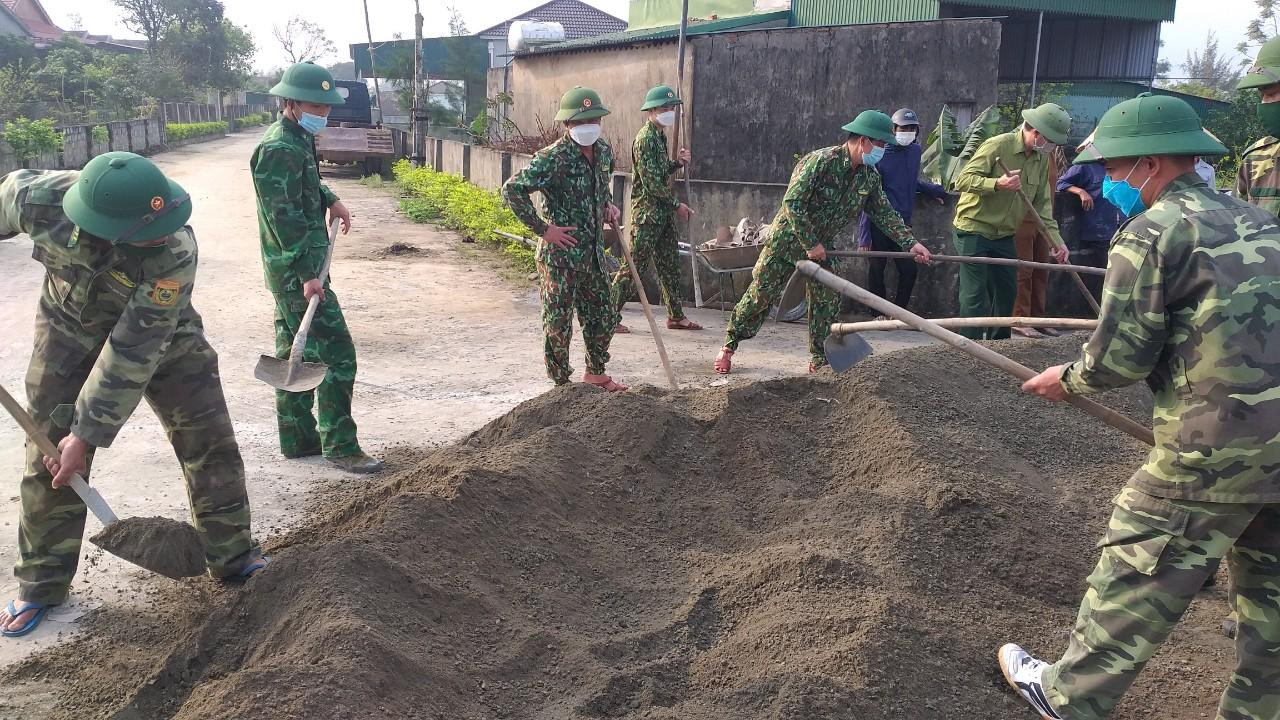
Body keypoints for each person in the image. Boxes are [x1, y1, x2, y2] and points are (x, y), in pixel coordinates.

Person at [1000, 93, 1280, 720]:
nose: (1107, 182)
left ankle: (1068, 696)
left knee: (1139, 558)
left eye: (1113, 169)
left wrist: (1066, 379)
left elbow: (1120, 358)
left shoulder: (1151, 234)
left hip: (1213, 448)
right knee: (1272, 608)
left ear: (1149, 164)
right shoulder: (1264, 222)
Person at [0, 153, 267, 638]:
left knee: (209, 438)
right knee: (48, 454)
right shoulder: (34, 198)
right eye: (151, 228)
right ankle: (41, 582)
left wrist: (87, 434)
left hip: (163, 337)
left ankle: (232, 556)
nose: (165, 232)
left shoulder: (174, 252)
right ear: (107, 226)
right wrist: (69, 438)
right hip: (67, 328)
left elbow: (132, 351)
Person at [714, 111, 933, 375]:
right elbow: (793, 203)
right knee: (760, 296)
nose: (883, 151)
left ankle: (819, 361)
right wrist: (809, 242)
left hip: (823, 249)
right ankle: (729, 346)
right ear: (864, 141)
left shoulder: (869, 177)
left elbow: (885, 213)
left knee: (827, 304)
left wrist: (911, 243)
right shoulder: (820, 162)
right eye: (881, 145)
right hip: (788, 242)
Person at [251, 62, 382, 474]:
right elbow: (283, 218)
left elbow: (305, 184)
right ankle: (340, 444)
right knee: (338, 354)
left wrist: (330, 198)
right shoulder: (278, 149)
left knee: (294, 350)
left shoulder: (299, 138)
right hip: (297, 269)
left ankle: (297, 438)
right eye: (316, 107)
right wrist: (308, 274)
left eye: (327, 108)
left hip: (300, 265)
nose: (323, 115)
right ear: (290, 102)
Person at [503, 86, 627, 391]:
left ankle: (596, 371)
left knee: (603, 315)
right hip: (560, 258)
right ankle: (561, 385)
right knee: (558, 324)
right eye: (581, 122)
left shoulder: (604, 152)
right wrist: (544, 229)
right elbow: (512, 189)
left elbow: (601, 188)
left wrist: (607, 206)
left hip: (594, 256)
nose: (589, 127)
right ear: (567, 125)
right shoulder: (552, 158)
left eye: (594, 120)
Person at [952, 103, 1072, 340]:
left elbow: (1042, 207)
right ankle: (969, 348)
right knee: (974, 294)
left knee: (1007, 291)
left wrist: (1056, 241)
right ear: (1036, 133)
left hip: (1004, 234)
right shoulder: (998, 145)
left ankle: (999, 345)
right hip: (973, 228)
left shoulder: (1040, 159)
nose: (1052, 148)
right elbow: (962, 180)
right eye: (1051, 141)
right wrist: (997, 184)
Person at [611, 84, 699, 334]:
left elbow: (658, 172)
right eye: (664, 108)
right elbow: (650, 183)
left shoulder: (659, 136)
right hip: (647, 215)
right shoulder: (645, 139)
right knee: (634, 266)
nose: (669, 112)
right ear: (651, 111)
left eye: (671, 108)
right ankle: (608, 316)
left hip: (661, 215)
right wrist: (677, 205)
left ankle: (675, 316)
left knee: (669, 265)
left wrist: (677, 164)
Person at [856, 107, 947, 309]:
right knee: (877, 269)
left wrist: (933, 190)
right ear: (894, 129)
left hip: (903, 224)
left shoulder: (915, 151)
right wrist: (864, 235)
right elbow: (867, 195)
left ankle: (898, 313)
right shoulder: (880, 154)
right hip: (879, 224)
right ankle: (876, 312)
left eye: (912, 128)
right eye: (904, 128)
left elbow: (910, 181)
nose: (908, 131)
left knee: (909, 270)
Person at [1235, 36, 1280, 217]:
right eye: (1262, 95)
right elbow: (1236, 229)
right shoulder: (1256, 159)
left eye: (1270, 93)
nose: (1264, 103)